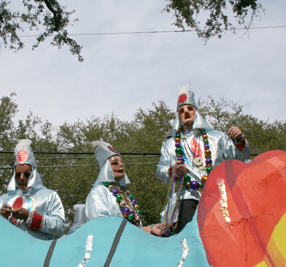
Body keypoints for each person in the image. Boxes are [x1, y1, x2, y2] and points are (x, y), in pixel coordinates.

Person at [156, 84, 250, 235]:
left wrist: (239, 140)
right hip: (186, 197)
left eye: (189, 109)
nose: (186, 113)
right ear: (178, 117)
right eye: (182, 111)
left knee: (220, 238)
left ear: (196, 112)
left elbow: (240, 158)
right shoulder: (170, 144)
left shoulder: (217, 137)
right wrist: (173, 171)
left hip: (217, 198)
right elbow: (160, 170)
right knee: (189, 239)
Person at [0, 139, 66, 240]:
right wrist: (1, 218)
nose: (22, 178)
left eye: (26, 174)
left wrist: (31, 217)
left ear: (33, 174)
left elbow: (60, 227)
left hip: (39, 253)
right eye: (18, 174)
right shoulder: (0, 201)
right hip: (7, 252)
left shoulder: (49, 196)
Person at [85, 141, 142, 227]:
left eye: (122, 162)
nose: (121, 165)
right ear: (106, 168)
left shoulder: (123, 193)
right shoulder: (98, 192)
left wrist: (149, 229)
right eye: (115, 163)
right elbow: (100, 223)